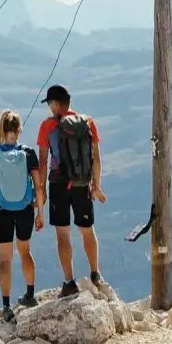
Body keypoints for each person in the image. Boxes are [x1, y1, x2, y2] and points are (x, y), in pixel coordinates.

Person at [35, 84, 107, 297]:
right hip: (82, 184)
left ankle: (69, 282)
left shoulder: (47, 126)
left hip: (58, 184)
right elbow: (96, 157)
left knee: (63, 233)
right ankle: (95, 273)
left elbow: (42, 160)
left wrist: (42, 190)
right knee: (87, 229)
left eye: (49, 103)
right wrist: (96, 185)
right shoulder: (88, 122)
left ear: (56, 104)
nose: (49, 108)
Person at [0, 109, 40, 319]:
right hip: (25, 209)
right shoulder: (29, 152)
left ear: (2, 129)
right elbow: (39, 185)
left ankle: (6, 306)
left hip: (2, 211)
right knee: (25, 251)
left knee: (5, 259)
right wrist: (40, 212)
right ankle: (30, 294)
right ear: (19, 129)